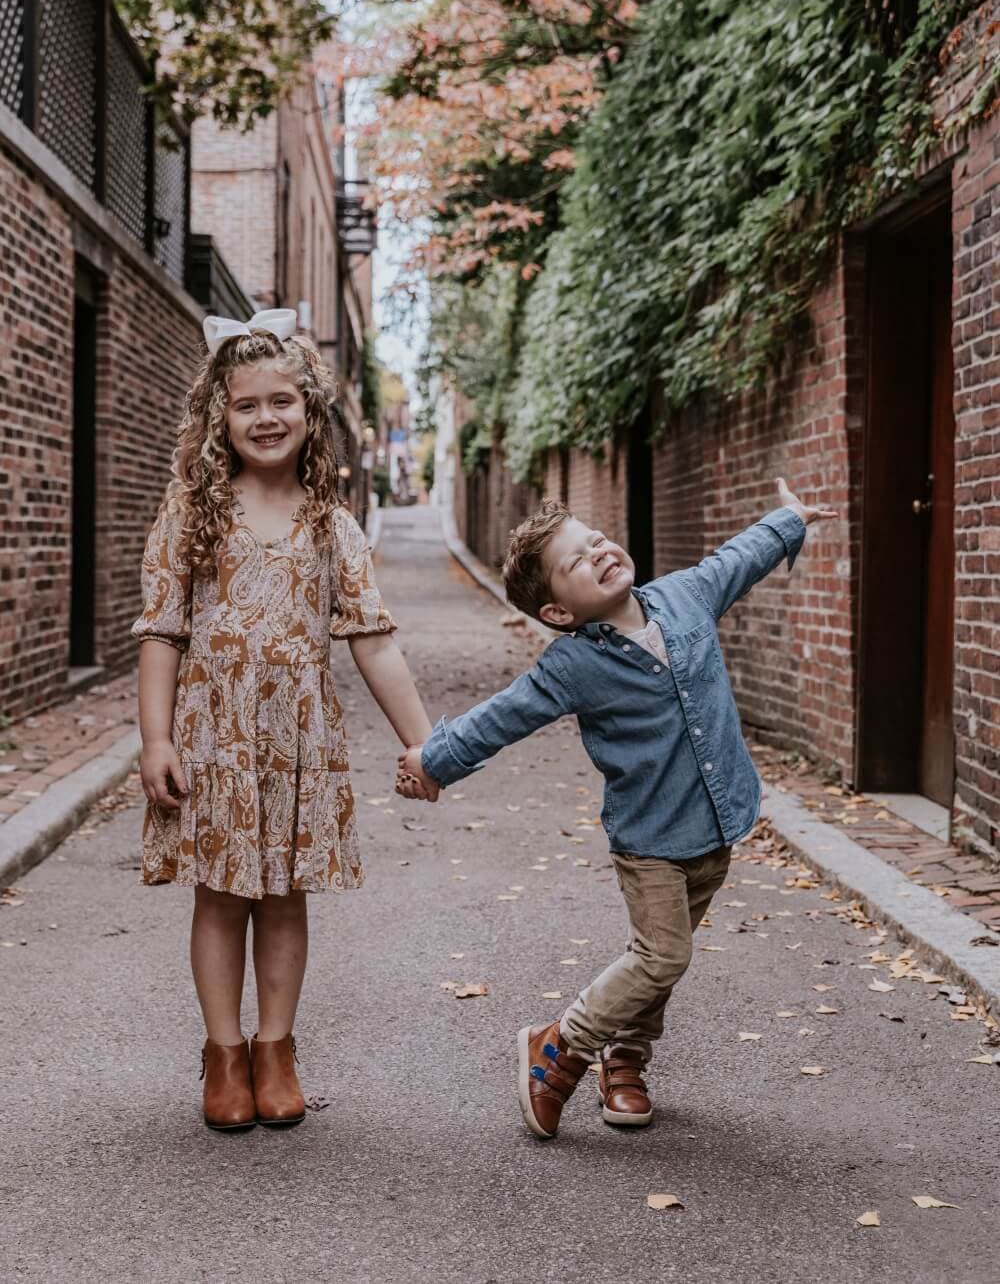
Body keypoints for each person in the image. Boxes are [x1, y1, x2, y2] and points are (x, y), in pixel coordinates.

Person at [397, 479, 836, 1140]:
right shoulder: (572, 664)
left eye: (595, 540)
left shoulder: (686, 595)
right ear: (559, 612)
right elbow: (504, 715)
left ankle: (626, 1060)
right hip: (651, 839)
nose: (597, 553)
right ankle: (560, 1049)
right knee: (661, 956)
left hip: (718, 824)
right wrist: (434, 759)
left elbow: (738, 557)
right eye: (576, 562)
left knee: (662, 960)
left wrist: (790, 518)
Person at [134, 309, 430, 1132]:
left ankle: (276, 1048)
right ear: (217, 418)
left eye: (282, 402)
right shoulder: (194, 513)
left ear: (311, 411)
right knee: (222, 896)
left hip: (297, 738)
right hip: (210, 736)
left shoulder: (333, 525)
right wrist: (155, 738)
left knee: (286, 896)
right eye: (246, 405)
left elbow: (373, 642)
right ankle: (223, 1053)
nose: (266, 419)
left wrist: (423, 738)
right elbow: (161, 632)